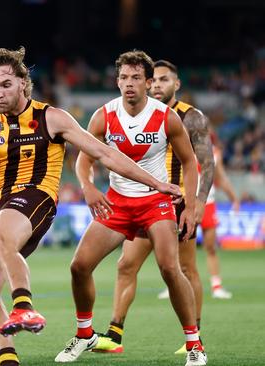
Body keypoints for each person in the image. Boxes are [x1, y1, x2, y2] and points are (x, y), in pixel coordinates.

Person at [0, 47, 181, 366]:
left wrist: (155, 182)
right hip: (1, 201)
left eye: (5, 84)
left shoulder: (51, 117)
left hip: (38, 197)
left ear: (22, 82)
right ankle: (8, 358)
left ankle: (23, 306)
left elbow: (106, 155)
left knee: (0, 237)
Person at [54, 51, 206, 366]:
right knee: (79, 266)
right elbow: (84, 157)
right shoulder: (103, 115)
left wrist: (190, 206)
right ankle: (85, 334)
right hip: (118, 202)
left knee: (169, 268)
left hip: (156, 203)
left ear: (148, 83)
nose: (129, 84)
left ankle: (194, 344)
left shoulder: (166, 117)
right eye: (123, 77)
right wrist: (88, 186)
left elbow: (191, 162)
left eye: (136, 78)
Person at [92, 60, 214, 355]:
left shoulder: (189, 117)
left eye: (164, 80)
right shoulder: (136, 113)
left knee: (182, 268)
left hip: (177, 204)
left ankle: (194, 336)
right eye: (155, 80)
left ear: (177, 84)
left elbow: (206, 163)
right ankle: (114, 334)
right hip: (144, 201)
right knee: (126, 265)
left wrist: (196, 204)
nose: (158, 85)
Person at [201, 137, 240, 299]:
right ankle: (173, 286)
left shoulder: (214, 152)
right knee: (176, 249)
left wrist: (234, 198)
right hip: (185, 202)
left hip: (207, 203)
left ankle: (216, 286)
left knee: (210, 247)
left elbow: (220, 177)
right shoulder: (178, 142)